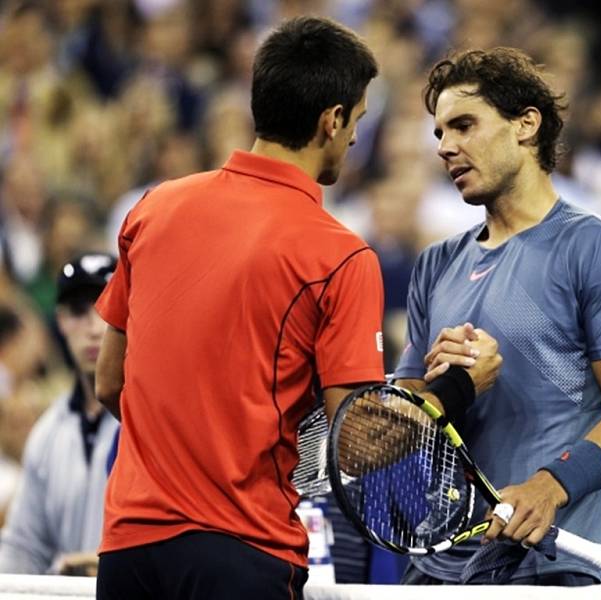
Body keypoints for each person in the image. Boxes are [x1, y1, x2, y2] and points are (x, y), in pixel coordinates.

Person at [93, 17, 501, 600]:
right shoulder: (339, 255)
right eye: (357, 120)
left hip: (128, 550)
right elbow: (354, 445)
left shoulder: (153, 208)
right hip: (240, 552)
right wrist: (458, 388)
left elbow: (111, 382)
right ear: (330, 121)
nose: (356, 137)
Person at [393, 48, 601, 586]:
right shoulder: (434, 265)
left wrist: (551, 485)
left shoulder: (598, 249)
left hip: (547, 562)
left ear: (526, 124)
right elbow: (394, 432)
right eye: (440, 134)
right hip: (436, 567)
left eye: (465, 125)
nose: (447, 147)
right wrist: (449, 389)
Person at [0, 252, 118, 575]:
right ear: (61, 322)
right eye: (79, 312)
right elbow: (23, 548)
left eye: (106, 308)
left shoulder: (156, 418)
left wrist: (116, 566)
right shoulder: (48, 432)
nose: (94, 328)